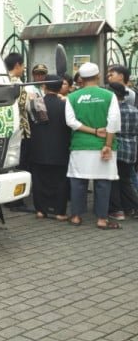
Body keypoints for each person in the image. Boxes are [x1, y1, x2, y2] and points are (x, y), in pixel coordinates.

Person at [65, 62, 121, 229]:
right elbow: (113, 121)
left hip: (80, 146)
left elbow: (71, 122)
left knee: (78, 181)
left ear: (81, 78)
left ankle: (75, 216)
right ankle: (102, 219)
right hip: (103, 146)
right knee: (103, 182)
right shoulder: (109, 96)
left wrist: (93, 131)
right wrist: (108, 145)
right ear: (98, 76)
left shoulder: (72, 97)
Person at [27, 75, 71, 221]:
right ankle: (59, 212)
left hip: (38, 149)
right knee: (60, 181)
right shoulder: (65, 105)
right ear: (60, 88)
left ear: (44, 87)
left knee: (39, 180)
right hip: (61, 149)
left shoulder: (36, 104)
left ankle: (41, 210)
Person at [5, 52, 33, 212]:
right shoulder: (18, 84)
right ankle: (17, 201)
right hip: (21, 131)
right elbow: (25, 106)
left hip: (6, 131)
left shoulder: (0, 81)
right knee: (21, 164)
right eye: (22, 66)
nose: (23, 69)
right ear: (17, 65)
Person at [106, 82, 138, 220]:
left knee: (115, 181)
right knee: (125, 180)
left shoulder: (111, 111)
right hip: (131, 149)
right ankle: (129, 207)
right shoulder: (134, 110)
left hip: (115, 147)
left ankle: (117, 210)